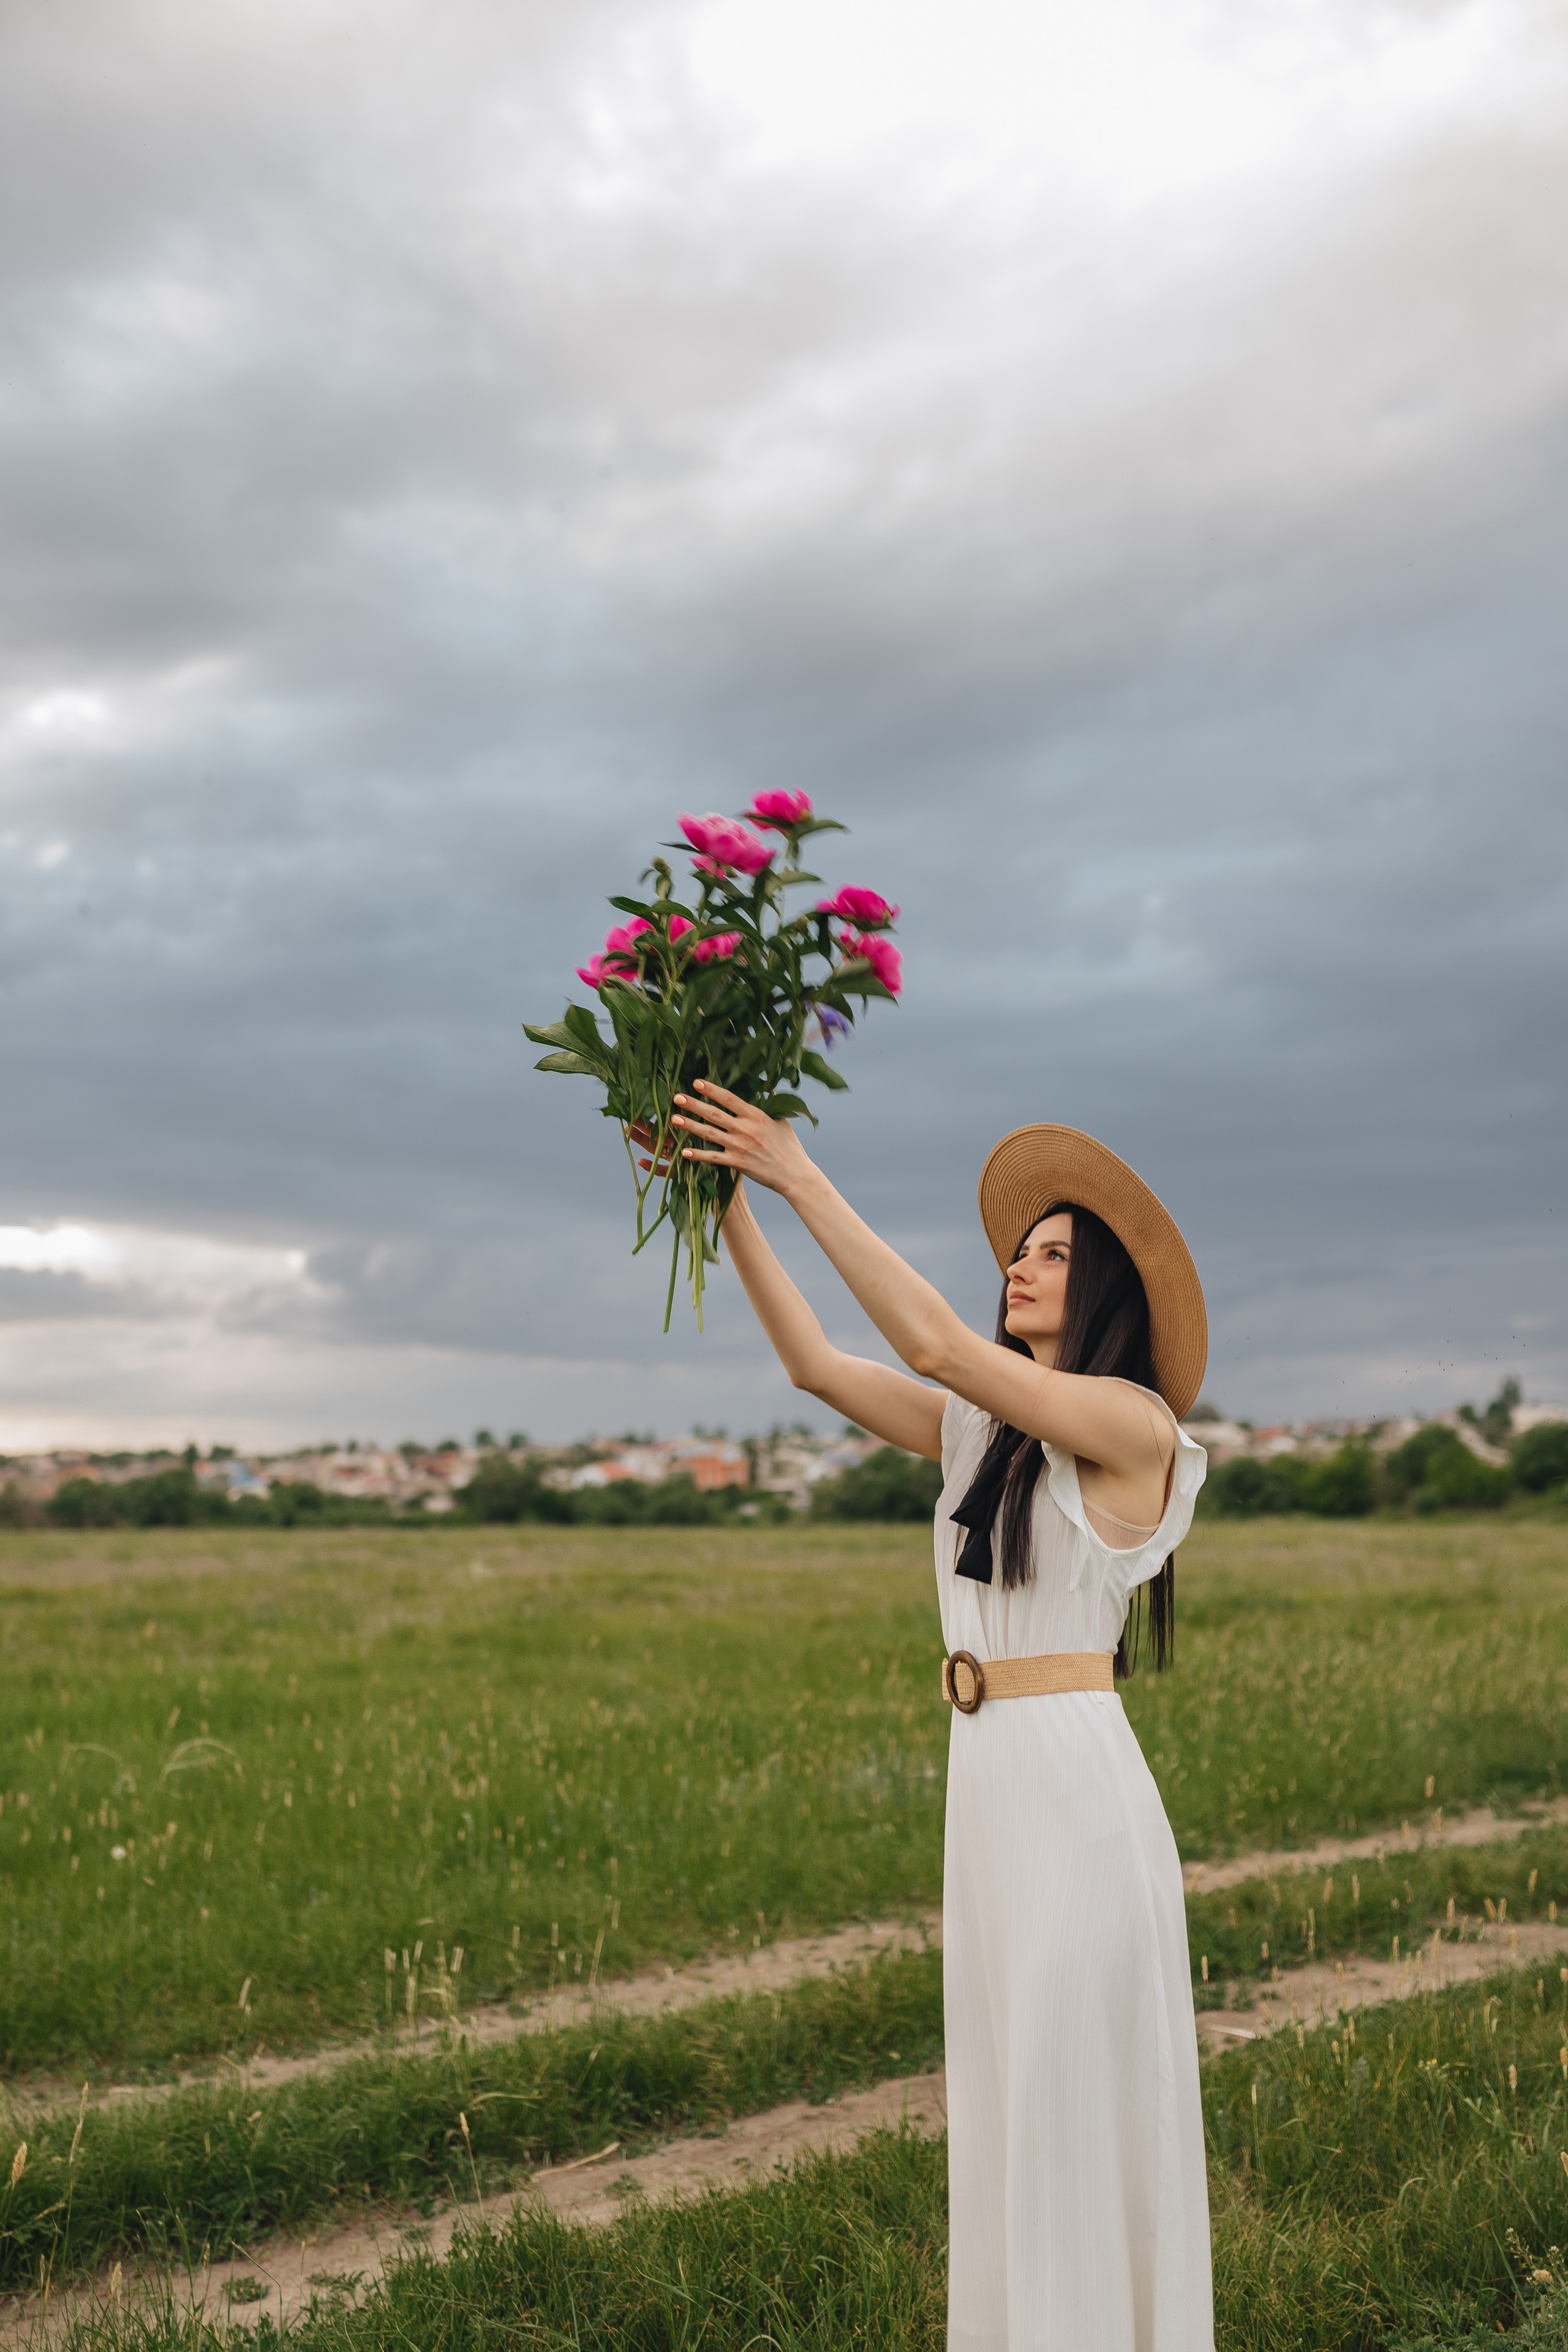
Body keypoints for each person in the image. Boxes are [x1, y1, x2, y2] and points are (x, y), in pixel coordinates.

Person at [666, 1084, 1214, 2352]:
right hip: (991, 1789)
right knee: (1008, 2099)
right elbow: (812, 1364)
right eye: (1017, 1254)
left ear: (1110, 1292)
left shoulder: (1136, 1429)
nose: (1019, 1270)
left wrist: (800, 1173)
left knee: (1064, 2093)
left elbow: (933, 1345)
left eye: (1054, 1256)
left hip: (1076, 1799)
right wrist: (726, 1202)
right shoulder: (986, 1430)